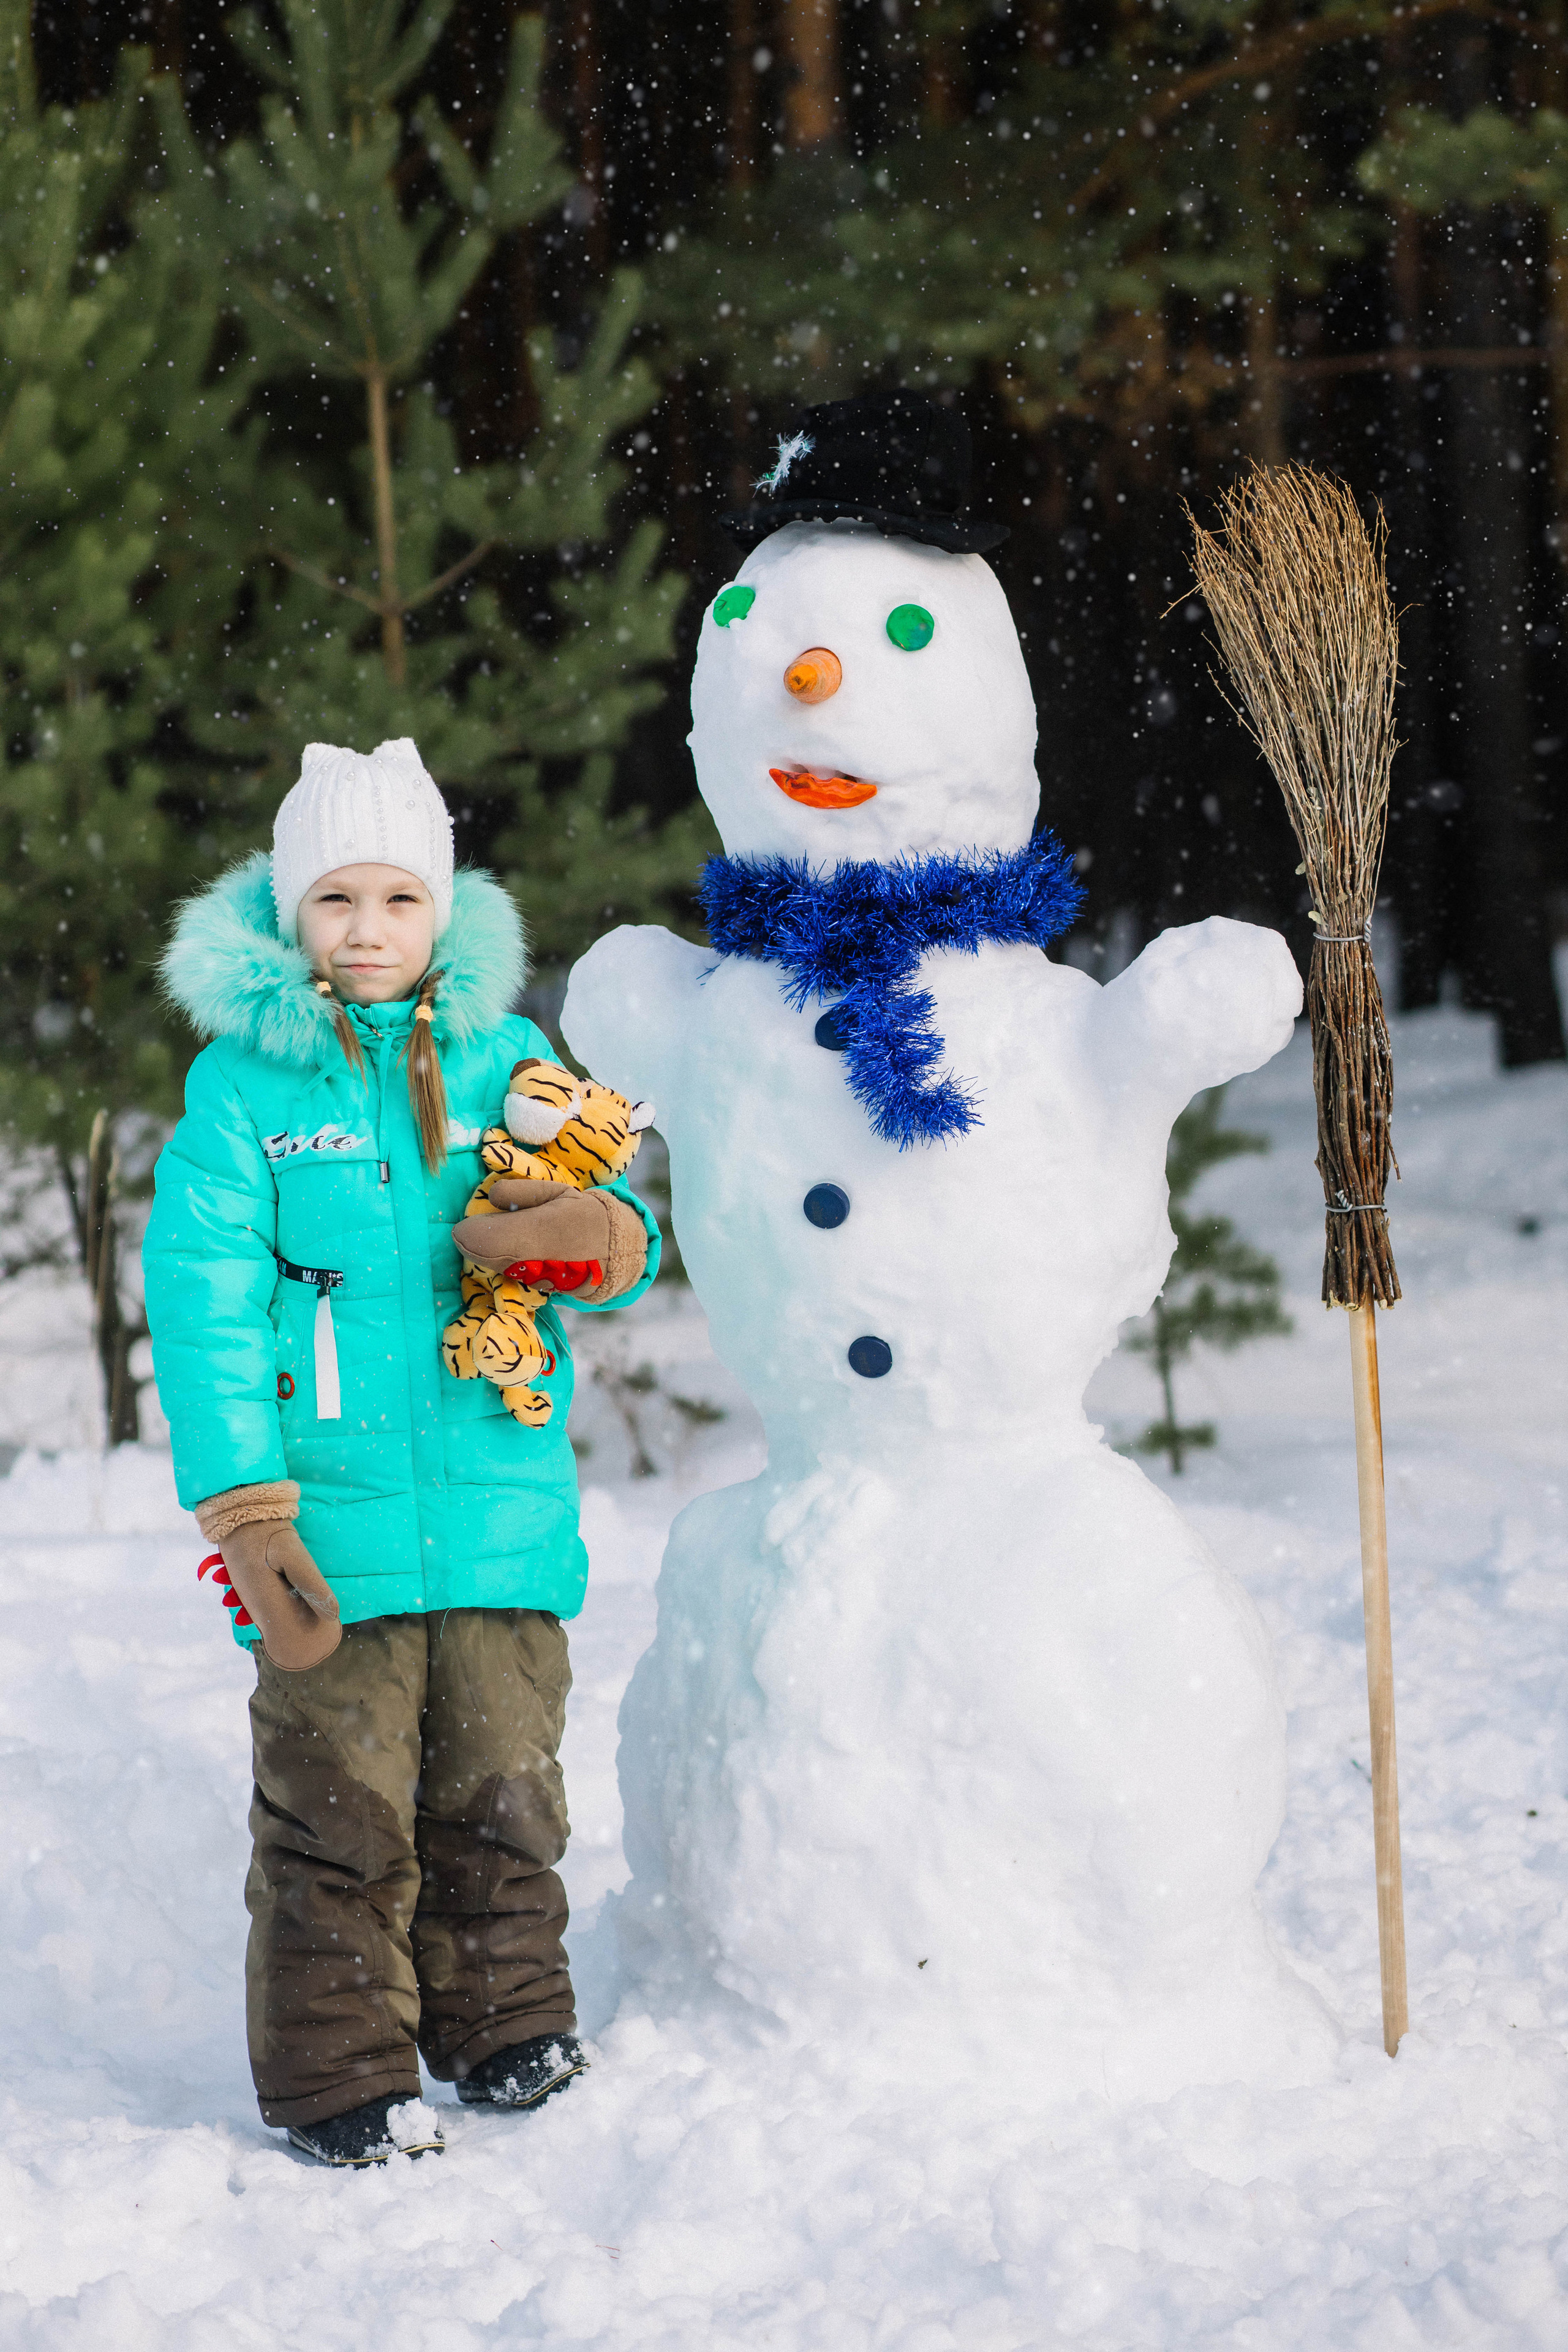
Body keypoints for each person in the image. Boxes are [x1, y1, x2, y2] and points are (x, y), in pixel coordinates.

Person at [143, 738, 658, 2168]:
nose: (366, 929)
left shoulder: (507, 1058)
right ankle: (338, 2075)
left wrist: (598, 1242)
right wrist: (247, 1507)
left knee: (502, 1792)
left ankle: (502, 2028)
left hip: (501, 1501)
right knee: (337, 1812)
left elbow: (609, 1219)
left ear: (443, 907)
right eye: (334, 901)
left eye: (395, 898)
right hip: (332, 1524)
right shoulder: (246, 1088)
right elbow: (203, 1300)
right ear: (286, 914)